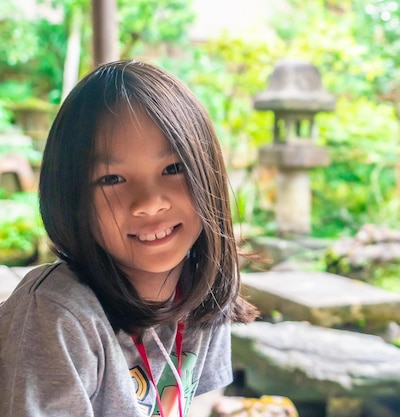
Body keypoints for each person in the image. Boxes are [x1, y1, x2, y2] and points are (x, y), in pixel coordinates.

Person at [0, 60, 258, 416]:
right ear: (71, 197)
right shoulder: (57, 316)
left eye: (172, 169)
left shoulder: (204, 290)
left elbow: (200, 400)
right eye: (111, 179)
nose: (150, 203)